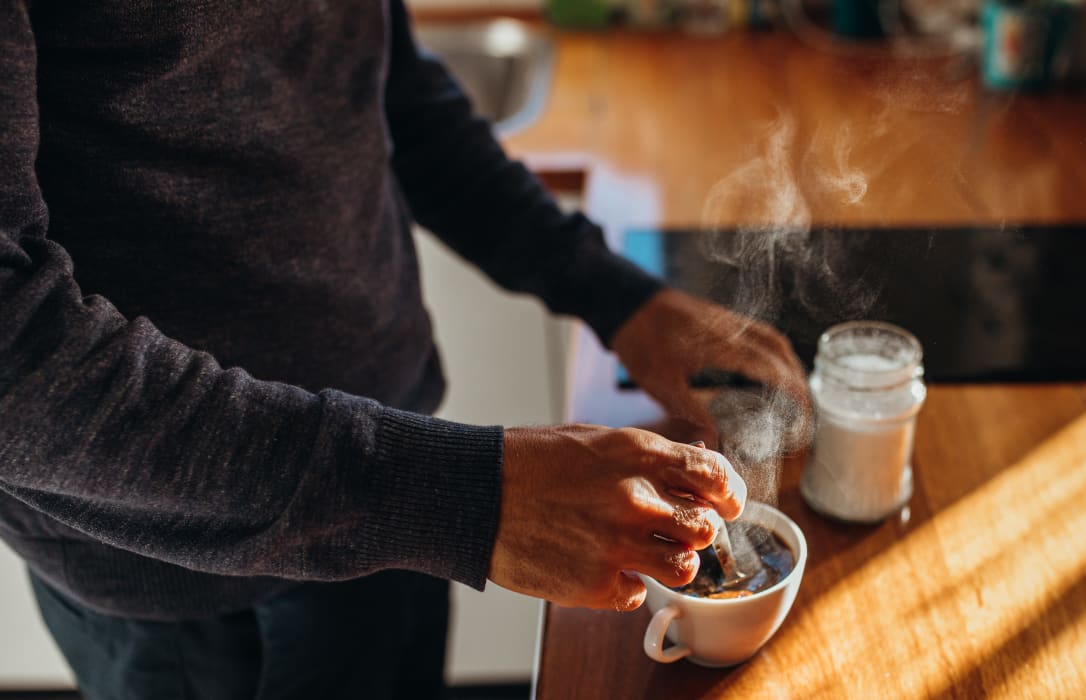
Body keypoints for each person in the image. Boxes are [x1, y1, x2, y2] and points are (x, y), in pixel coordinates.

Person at [0, 2, 807, 698]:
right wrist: (459, 498)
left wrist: (611, 293)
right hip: (191, 577)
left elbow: (385, 86)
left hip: (398, 488)